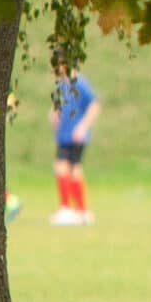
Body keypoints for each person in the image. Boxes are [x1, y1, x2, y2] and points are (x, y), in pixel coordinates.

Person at [50, 68, 102, 227]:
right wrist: (53, 114)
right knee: (66, 168)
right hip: (63, 134)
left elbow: (94, 104)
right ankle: (77, 211)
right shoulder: (62, 84)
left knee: (70, 168)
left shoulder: (79, 82)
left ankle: (74, 209)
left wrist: (83, 126)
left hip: (75, 134)